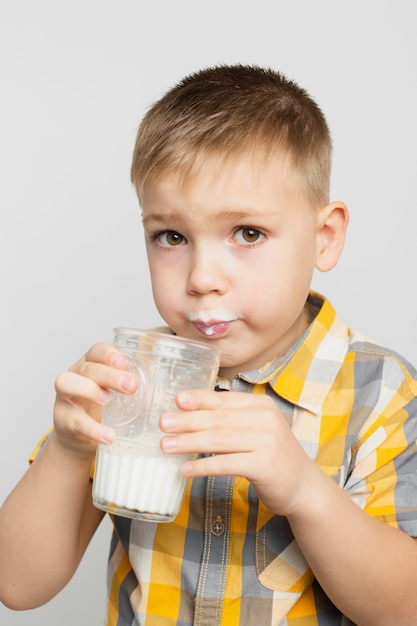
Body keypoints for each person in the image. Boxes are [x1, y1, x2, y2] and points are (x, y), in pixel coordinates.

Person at [1, 64, 417, 626]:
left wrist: (303, 490)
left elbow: (404, 609)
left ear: (325, 237)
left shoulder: (379, 392)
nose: (201, 277)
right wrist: (70, 452)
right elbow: (18, 585)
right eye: (171, 237)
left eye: (248, 233)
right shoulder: (131, 379)